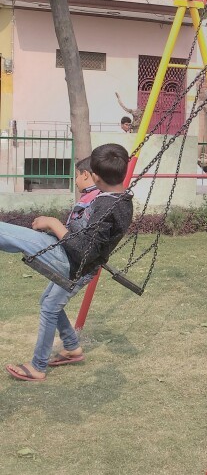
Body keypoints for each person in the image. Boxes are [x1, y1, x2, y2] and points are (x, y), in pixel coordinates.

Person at [0, 143, 133, 382]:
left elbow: (83, 251)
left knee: (6, 234)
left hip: (71, 262)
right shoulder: (119, 199)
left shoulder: (107, 206)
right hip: (72, 259)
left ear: (95, 177)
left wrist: (53, 223)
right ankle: (71, 346)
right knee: (47, 301)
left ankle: (38, 366)